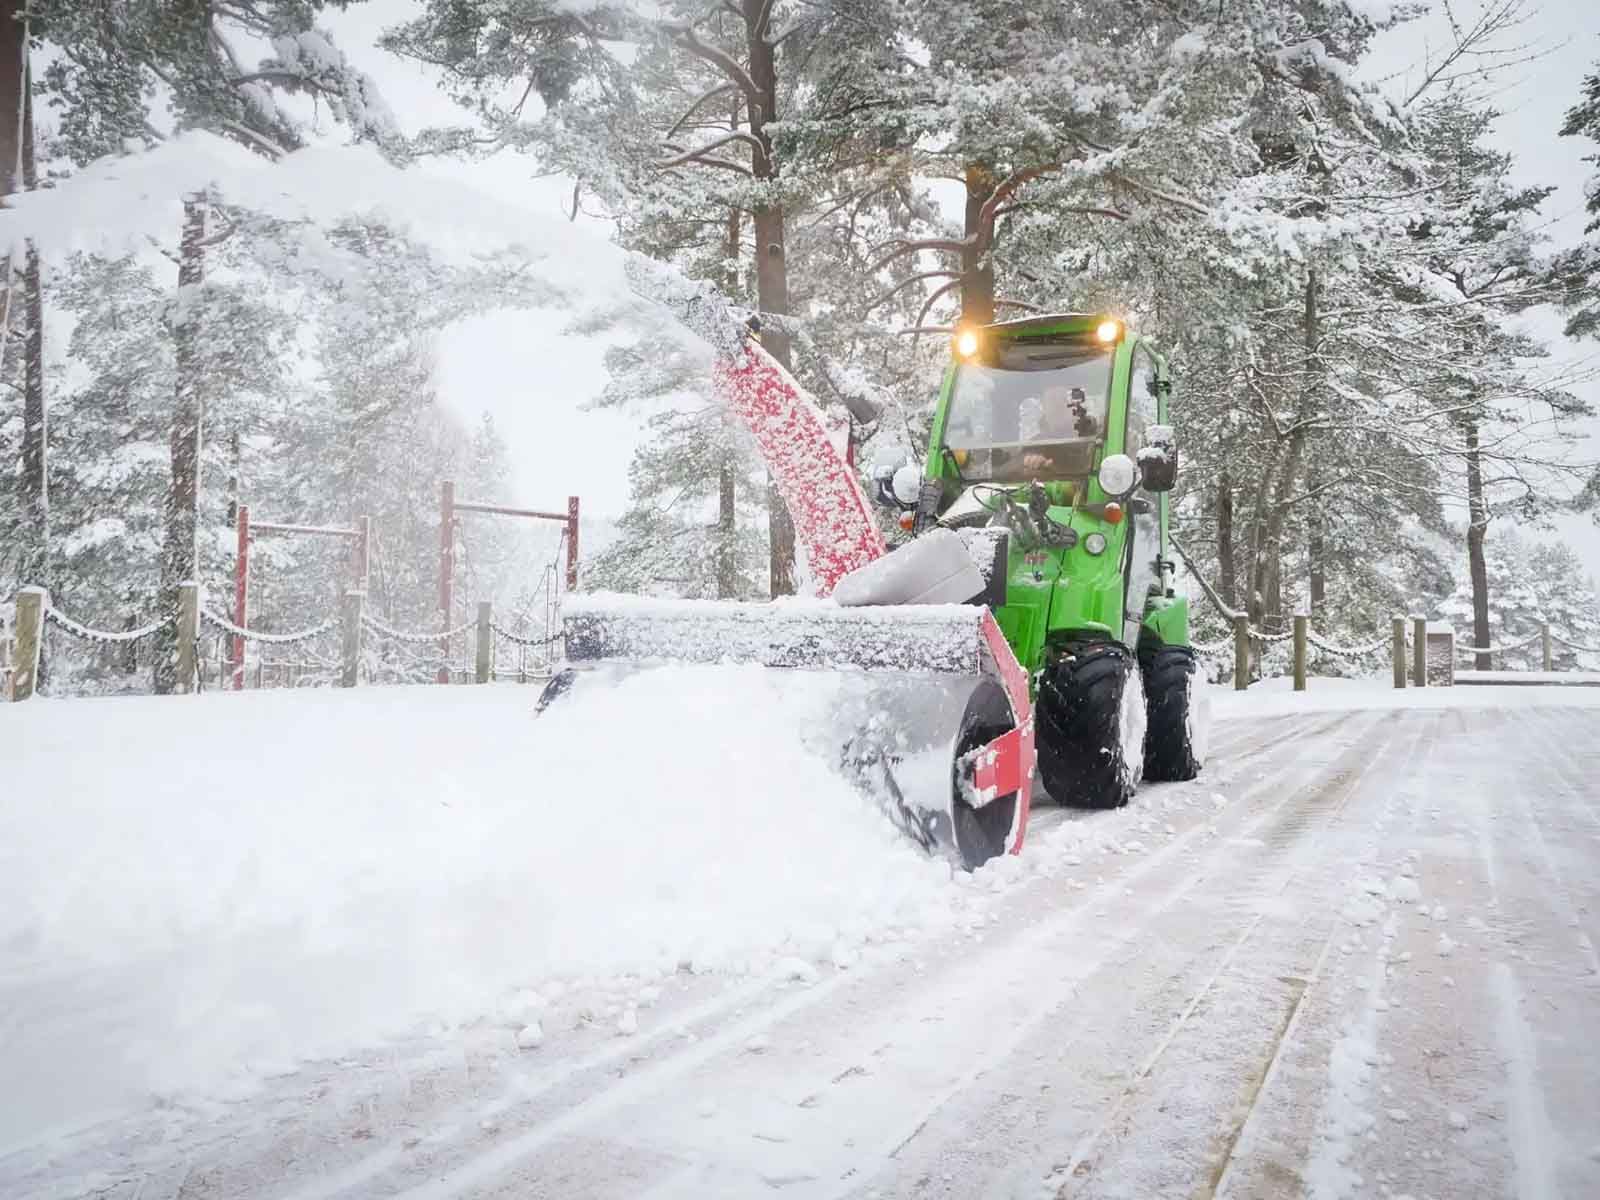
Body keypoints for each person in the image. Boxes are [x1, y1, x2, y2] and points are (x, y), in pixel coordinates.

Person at [1025, 385, 1097, 471]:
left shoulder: (1091, 435)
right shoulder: (1035, 444)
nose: (1057, 406)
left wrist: (1055, 468)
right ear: (1044, 408)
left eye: (1062, 400)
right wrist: (1032, 462)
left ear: (1075, 406)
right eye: (1052, 401)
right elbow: (1014, 468)